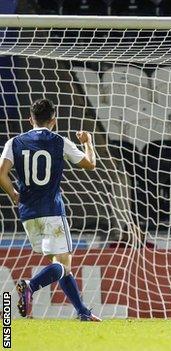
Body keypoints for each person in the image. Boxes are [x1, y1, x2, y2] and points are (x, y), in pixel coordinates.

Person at [0, 99, 99, 321]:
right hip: (52, 211)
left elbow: (1, 174)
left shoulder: (14, 142)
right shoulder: (59, 141)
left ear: (30, 119)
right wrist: (88, 142)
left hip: (28, 214)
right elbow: (90, 164)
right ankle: (30, 286)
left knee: (62, 265)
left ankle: (82, 312)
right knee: (63, 264)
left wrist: (14, 194)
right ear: (54, 120)